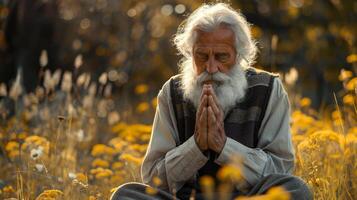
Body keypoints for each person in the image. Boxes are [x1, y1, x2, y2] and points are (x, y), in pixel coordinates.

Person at [111, 3, 312, 200]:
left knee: (296, 190)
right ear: (191, 53)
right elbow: (153, 178)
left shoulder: (268, 90)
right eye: (202, 56)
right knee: (125, 195)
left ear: (239, 55)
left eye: (221, 57)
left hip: (248, 197)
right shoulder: (172, 92)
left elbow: (281, 170)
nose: (211, 67)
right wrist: (195, 147)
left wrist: (224, 147)